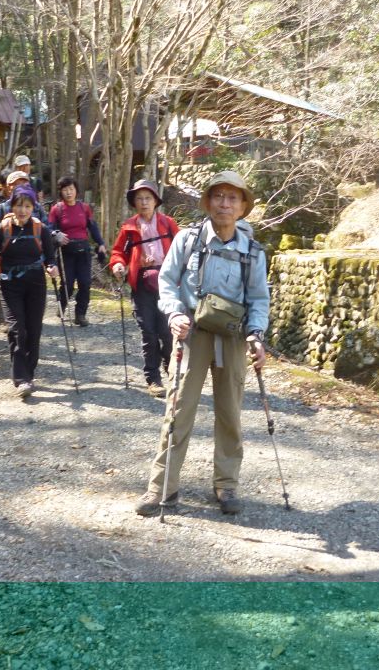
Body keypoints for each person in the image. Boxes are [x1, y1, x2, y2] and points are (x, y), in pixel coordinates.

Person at [135, 171, 269, 517]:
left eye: (233, 198)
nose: (225, 203)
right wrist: (174, 313)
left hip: (234, 336)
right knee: (178, 411)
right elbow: (167, 281)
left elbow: (258, 298)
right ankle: (162, 487)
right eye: (218, 196)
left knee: (230, 414)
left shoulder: (253, 252)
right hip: (192, 333)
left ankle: (226, 485)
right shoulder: (188, 240)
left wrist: (256, 335)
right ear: (208, 202)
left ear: (242, 207)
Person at [0, 186, 59, 397]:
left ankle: (29, 373)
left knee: (34, 331)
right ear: (12, 206)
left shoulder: (40, 229)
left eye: (27, 206)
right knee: (17, 330)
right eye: (19, 205)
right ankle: (21, 379)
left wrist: (52, 267)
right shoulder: (2, 229)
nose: (23, 210)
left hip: (36, 284)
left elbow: (50, 258)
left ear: (33, 207)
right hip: (10, 284)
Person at [110, 180, 180, 397]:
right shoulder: (129, 227)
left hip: (167, 285)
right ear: (134, 203)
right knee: (148, 333)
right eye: (139, 198)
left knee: (167, 333)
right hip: (141, 284)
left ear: (155, 201)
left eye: (147, 198)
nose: (143, 202)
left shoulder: (169, 224)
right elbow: (117, 252)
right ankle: (153, 379)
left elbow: (183, 251)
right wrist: (118, 264)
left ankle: (172, 373)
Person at [48, 176, 106, 327]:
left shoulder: (84, 208)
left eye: (71, 189)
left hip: (83, 251)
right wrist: (57, 235)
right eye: (65, 189)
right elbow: (49, 229)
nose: (69, 192)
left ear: (76, 190)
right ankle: (62, 306)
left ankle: (80, 314)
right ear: (61, 192)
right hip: (66, 251)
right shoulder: (57, 209)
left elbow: (92, 227)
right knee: (67, 284)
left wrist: (100, 243)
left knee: (85, 283)